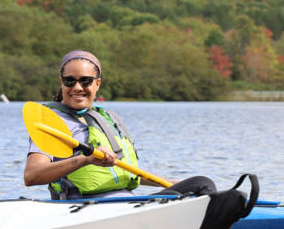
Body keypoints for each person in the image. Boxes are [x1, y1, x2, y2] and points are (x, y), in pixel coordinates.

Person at [24, 50, 216, 200]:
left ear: (97, 84)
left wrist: (172, 183)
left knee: (198, 186)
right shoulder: (51, 123)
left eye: (85, 81)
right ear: (62, 82)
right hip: (82, 208)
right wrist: (86, 159)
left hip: (124, 205)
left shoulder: (107, 119)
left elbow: (124, 172)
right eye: (70, 81)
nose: (77, 87)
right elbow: (32, 176)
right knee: (200, 184)